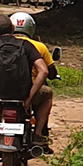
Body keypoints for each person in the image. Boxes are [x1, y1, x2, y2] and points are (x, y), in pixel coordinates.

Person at [0, 15, 47, 151]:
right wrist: (30, 97)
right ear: (13, 28)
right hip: (22, 94)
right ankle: (37, 134)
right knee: (47, 94)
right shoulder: (26, 45)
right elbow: (43, 71)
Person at [8, 11, 57, 150]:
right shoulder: (39, 46)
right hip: (29, 91)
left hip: (3, 90)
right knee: (47, 94)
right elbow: (50, 71)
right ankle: (38, 134)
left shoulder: (1, 43)